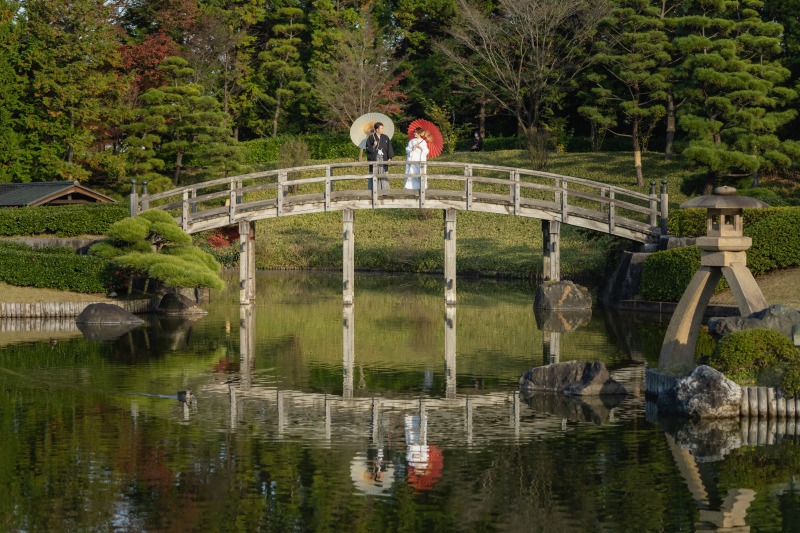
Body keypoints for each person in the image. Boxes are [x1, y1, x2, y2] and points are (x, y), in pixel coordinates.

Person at [365, 122, 394, 190]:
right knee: (374, 174)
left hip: (384, 158)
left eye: (383, 128)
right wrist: (373, 145)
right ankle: (374, 190)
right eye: (381, 128)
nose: (383, 129)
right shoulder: (371, 138)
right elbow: (368, 148)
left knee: (384, 174)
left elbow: (389, 148)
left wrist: (389, 158)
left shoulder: (385, 137)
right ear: (377, 129)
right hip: (375, 159)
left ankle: (384, 190)